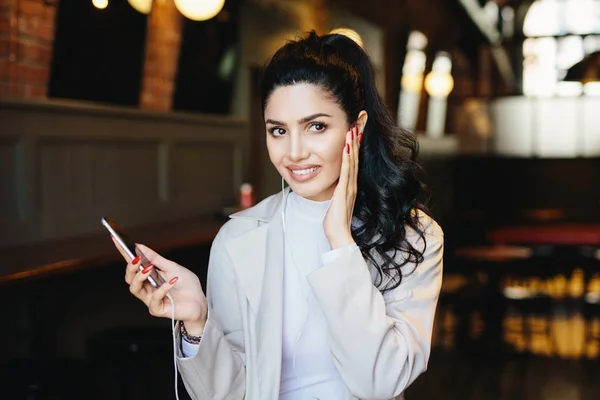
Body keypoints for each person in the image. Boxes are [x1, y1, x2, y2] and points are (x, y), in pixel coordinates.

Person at [115, 31, 444, 400]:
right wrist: (196, 320)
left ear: (357, 128)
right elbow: (230, 394)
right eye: (278, 131)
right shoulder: (239, 238)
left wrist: (340, 243)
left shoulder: (413, 235)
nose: (295, 152)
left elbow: (379, 382)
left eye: (316, 126)